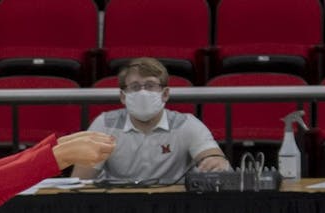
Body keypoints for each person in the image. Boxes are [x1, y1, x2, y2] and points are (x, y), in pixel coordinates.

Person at [72, 57, 231, 184]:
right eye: (134, 87)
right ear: (123, 96)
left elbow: (212, 157)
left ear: (165, 94)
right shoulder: (104, 125)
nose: (143, 92)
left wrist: (216, 162)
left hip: (171, 206)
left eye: (150, 85)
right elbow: (79, 181)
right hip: (117, 206)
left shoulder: (187, 124)